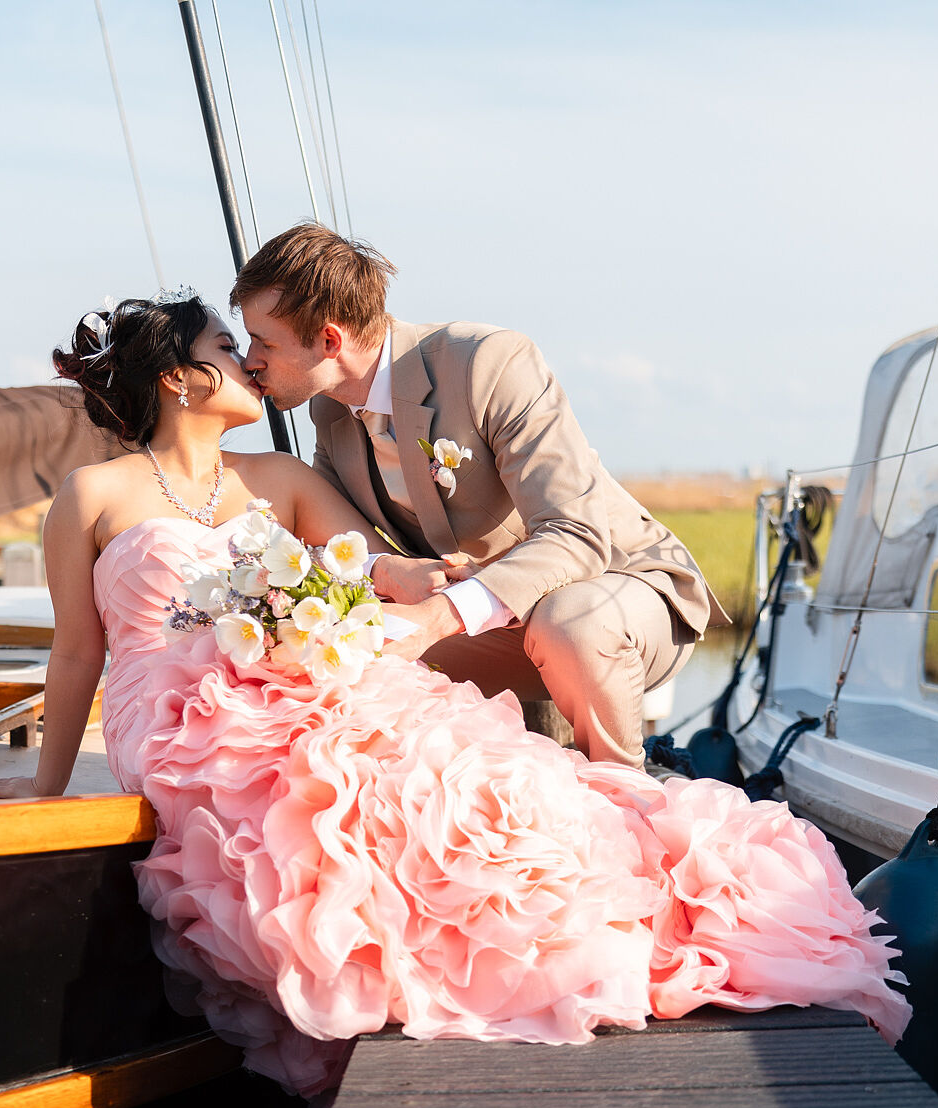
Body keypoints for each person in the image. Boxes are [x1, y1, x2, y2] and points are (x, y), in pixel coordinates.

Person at [0, 289, 909, 1101]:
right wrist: (49, 782)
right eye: (227, 349)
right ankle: (392, 965)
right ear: (179, 380)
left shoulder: (282, 477)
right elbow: (74, 651)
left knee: (454, 784)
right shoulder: (91, 494)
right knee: (311, 805)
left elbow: (371, 568)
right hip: (180, 716)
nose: (249, 364)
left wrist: (437, 581)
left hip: (293, 675)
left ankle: (549, 934)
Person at [232, 224, 729, 769]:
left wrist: (441, 614)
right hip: (498, 629)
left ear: (329, 340)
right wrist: (387, 577)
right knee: (339, 649)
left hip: (618, 593)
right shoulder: (329, 412)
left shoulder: (488, 362)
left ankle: (622, 799)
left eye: (263, 341)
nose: (249, 359)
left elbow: (579, 536)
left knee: (569, 620)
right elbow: (350, 545)